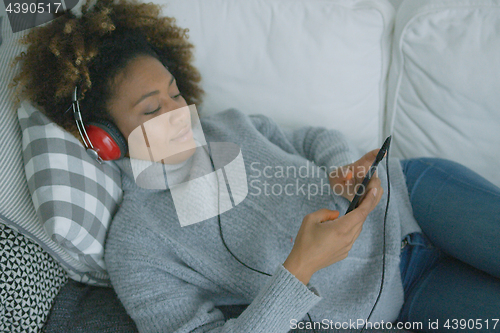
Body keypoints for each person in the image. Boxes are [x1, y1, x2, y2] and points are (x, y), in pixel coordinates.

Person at [13, 0, 500, 332]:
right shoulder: (137, 247)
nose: (180, 113)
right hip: (401, 297)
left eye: (175, 93)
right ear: (107, 139)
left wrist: (340, 168)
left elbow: (313, 138)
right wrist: (300, 268)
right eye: (151, 108)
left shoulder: (227, 125)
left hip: (416, 196)